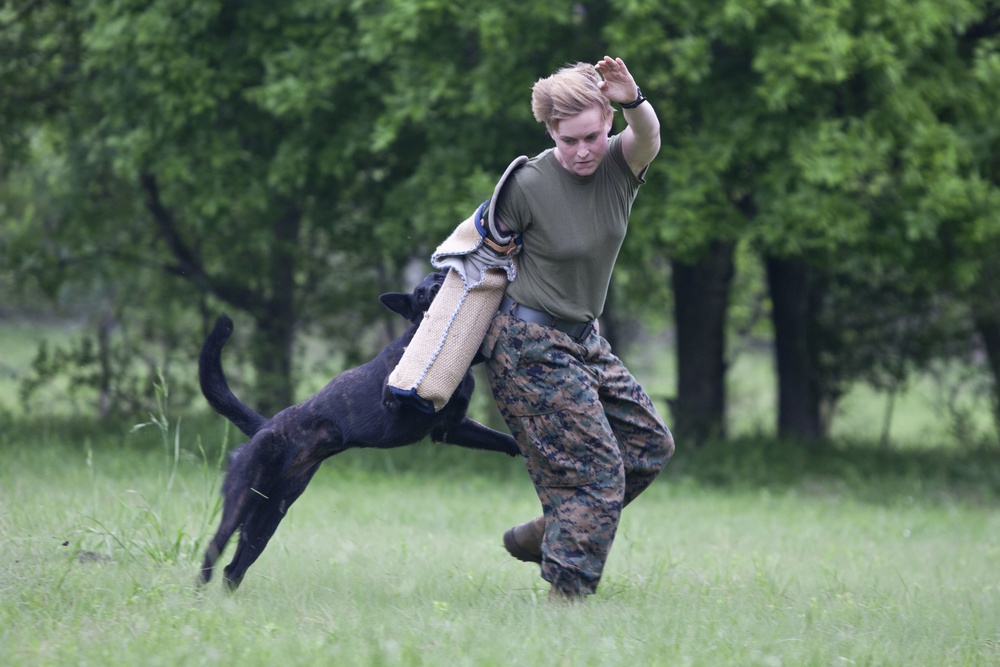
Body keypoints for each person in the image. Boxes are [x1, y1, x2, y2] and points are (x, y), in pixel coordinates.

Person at [481, 56, 675, 602]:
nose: (583, 150)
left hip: (585, 340)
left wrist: (633, 98)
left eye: (591, 135)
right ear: (550, 132)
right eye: (569, 141)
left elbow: (650, 133)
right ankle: (567, 604)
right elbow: (473, 262)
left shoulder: (621, 165)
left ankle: (555, 530)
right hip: (527, 346)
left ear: (607, 123)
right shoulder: (525, 184)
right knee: (597, 474)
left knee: (649, 445)